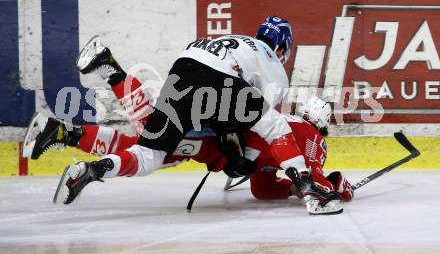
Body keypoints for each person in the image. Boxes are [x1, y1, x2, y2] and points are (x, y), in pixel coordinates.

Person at [22, 16, 340, 213]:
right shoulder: (272, 64)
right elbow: (254, 117)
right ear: (283, 47)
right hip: (216, 81)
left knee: (149, 150)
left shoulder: (238, 42)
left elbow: (231, 112)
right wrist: (235, 150)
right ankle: (309, 186)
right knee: (274, 124)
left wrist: (230, 145)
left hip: (185, 68)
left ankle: (94, 163)